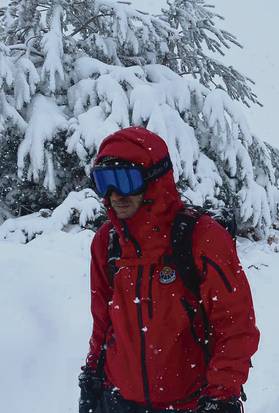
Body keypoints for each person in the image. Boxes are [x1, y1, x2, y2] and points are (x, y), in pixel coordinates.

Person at [79, 127, 260, 413]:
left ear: (154, 180)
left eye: (126, 180)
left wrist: (222, 395)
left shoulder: (200, 238)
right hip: (118, 400)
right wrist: (91, 377)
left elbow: (235, 325)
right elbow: (103, 323)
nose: (115, 195)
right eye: (104, 182)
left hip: (188, 402)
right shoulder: (107, 242)